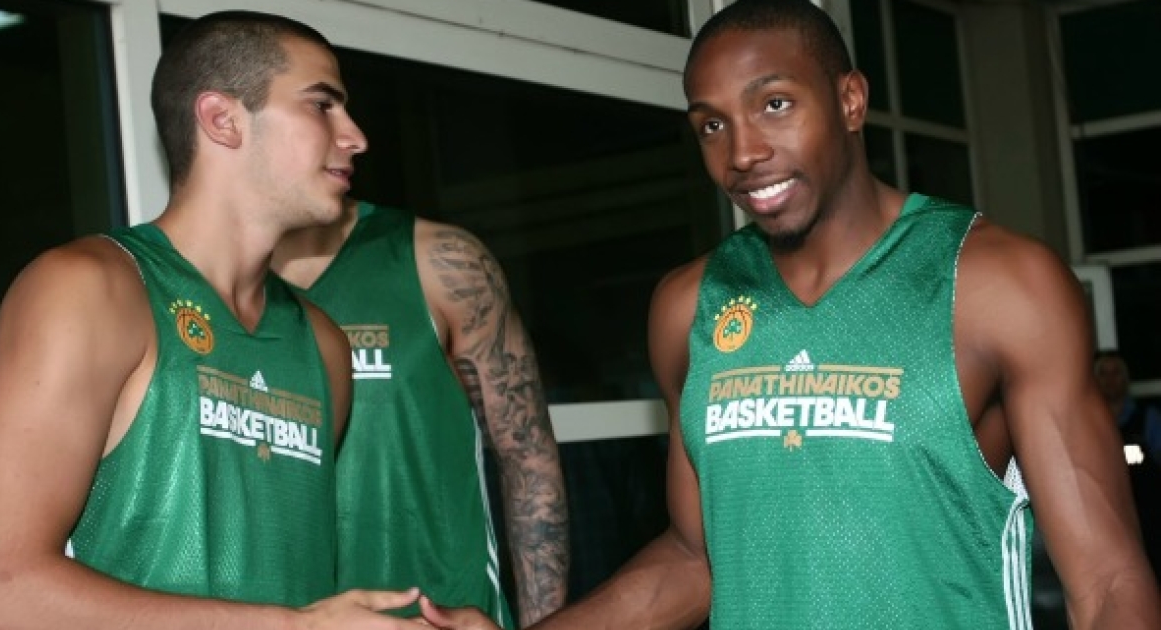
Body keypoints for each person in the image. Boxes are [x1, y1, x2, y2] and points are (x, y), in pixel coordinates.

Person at [419, 0, 1161, 628]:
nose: (742, 152)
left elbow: (1108, 585)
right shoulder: (689, 306)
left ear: (850, 101)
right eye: (711, 125)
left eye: (774, 104)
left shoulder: (998, 283)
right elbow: (695, 557)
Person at [0, 11, 428, 629]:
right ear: (222, 119)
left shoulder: (323, 347)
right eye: (322, 105)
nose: (355, 136)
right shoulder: (91, 289)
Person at [273, 197, 569, 628]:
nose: (351, 154)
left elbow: (528, 458)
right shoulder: (211, 283)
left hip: (443, 611)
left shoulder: (443, 262)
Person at [1094, 349, 1161, 580]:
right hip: (1103, 517)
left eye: (1116, 372)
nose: (1110, 380)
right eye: (1103, 373)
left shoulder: (1148, 418)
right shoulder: (1087, 424)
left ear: (1126, 378)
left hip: (1149, 518)